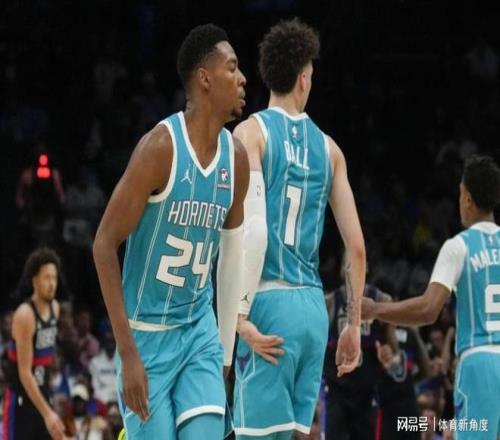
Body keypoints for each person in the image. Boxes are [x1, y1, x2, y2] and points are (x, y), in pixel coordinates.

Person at [93, 24, 248, 439]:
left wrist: (225, 352)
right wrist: (127, 352)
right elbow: (104, 244)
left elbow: (232, 257)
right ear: (205, 78)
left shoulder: (236, 159)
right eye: (232, 67)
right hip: (146, 338)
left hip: (199, 332)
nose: (242, 78)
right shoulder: (160, 149)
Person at [233, 18, 366, 439]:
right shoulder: (331, 150)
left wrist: (237, 313)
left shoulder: (250, 133)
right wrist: (353, 324)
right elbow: (356, 248)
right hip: (313, 311)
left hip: (267, 303)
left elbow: (253, 229)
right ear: (304, 79)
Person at [363, 155, 500, 440]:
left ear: (467, 199)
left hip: (480, 363)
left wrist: (375, 309)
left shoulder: (459, 246)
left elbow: (428, 310)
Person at [2, 248, 65, 440]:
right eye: (46, 278)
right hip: (21, 398)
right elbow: (24, 372)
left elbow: (46, 357)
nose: (52, 284)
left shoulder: (56, 308)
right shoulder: (25, 315)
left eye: (54, 278)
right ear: (34, 280)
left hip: (43, 393)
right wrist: (48, 414)